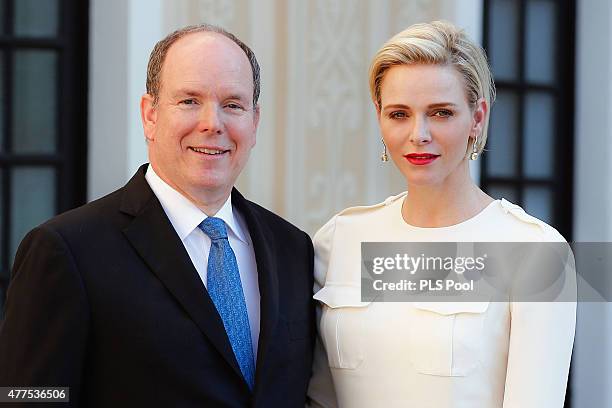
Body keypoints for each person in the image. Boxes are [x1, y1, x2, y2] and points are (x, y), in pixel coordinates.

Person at [0, 24, 315, 407]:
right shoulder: (67, 251)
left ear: (254, 120)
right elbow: (28, 399)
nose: (212, 123)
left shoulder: (292, 248)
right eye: (189, 101)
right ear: (150, 115)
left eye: (232, 104)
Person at [307, 21, 576, 408]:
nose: (418, 134)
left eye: (440, 113)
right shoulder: (339, 240)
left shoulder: (535, 252)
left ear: (477, 118)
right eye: (399, 114)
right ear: (380, 117)